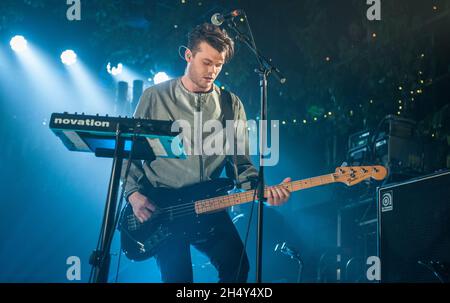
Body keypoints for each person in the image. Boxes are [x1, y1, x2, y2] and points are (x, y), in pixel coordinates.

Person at [123, 23, 291, 283]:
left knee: (237, 268)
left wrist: (263, 192)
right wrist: (133, 194)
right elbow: (132, 153)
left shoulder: (230, 103)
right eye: (206, 62)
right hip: (163, 208)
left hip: (209, 205)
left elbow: (241, 164)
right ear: (188, 56)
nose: (213, 71)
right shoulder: (154, 97)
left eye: (219, 64)